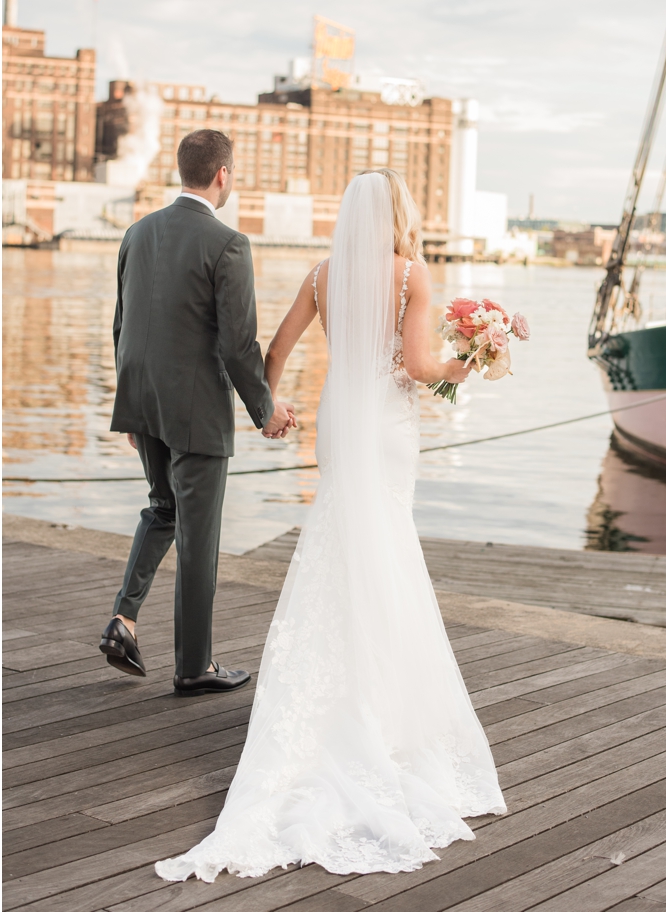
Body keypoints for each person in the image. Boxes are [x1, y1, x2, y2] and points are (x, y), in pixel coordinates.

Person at [156, 169, 505, 882]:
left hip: (340, 422)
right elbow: (415, 365)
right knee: (388, 548)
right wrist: (471, 360)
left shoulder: (322, 274)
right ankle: (382, 703)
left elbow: (271, 351)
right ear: (398, 214)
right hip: (385, 424)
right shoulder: (411, 275)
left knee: (342, 540)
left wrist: (269, 410)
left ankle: (335, 691)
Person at [98, 129, 296, 695]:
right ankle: (194, 667)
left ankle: (124, 619)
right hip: (196, 413)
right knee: (198, 543)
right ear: (223, 175)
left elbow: (122, 325)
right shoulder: (228, 243)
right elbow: (239, 345)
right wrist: (265, 411)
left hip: (143, 399)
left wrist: (133, 407)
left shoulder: (137, 232)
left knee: (162, 507)